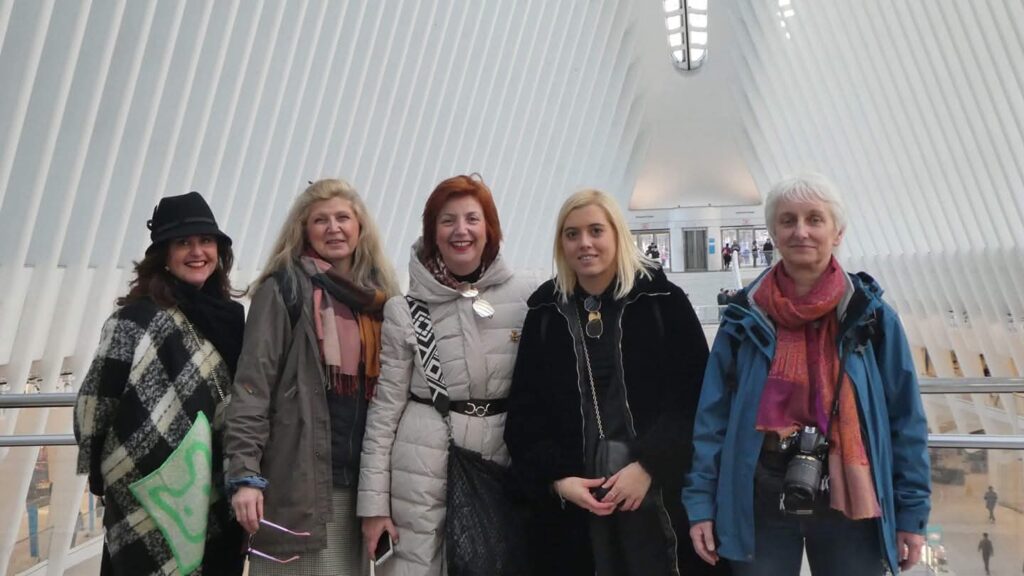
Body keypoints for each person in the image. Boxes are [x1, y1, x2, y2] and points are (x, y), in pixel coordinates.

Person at [683, 173, 931, 576]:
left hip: (850, 496)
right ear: (773, 234)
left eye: (815, 219)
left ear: (838, 232)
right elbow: (712, 420)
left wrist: (912, 513)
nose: (801, 231)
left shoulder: (871, 318)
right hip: (759, 497)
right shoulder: (743, 320)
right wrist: (701, 505)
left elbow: (906, 420)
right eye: (788, 220)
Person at [505, 189, 724, 576]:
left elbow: (694, 398)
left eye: (596, 230)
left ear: (617, 235)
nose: (584, 243)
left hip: (658, 498)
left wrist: (651, 465)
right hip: (577, 507)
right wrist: (559, 480)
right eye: (572, 234)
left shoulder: (663, 302)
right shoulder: (545, 313)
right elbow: (525, 413)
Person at [358, 174, 533, 575]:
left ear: (490, 229)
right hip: (421, 471)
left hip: (502, 462)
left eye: (472, 219)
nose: (461, 230)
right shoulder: (406, 310)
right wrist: (374, 507)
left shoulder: (526, 294)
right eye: (447, 220)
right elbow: (385, 411)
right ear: (432, 233)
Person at [225, 179, 400, 574]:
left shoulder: (380, 300)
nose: (333, 228)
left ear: (360, 227)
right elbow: (252, 387)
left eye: (343, 218)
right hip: (298, 484)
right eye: (321, 220)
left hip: (361, 488)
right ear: (304, 229)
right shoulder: (283, 290)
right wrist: (245, 475)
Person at [74, 192, 245, 575]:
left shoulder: (231, 319)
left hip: (219, 487)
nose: (197, 252)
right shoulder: (134, 320)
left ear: (219, 251)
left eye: (206, 241)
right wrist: (101, 476)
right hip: (146, 496)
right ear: (164, 255)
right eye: (183, 243)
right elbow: (94, 404)